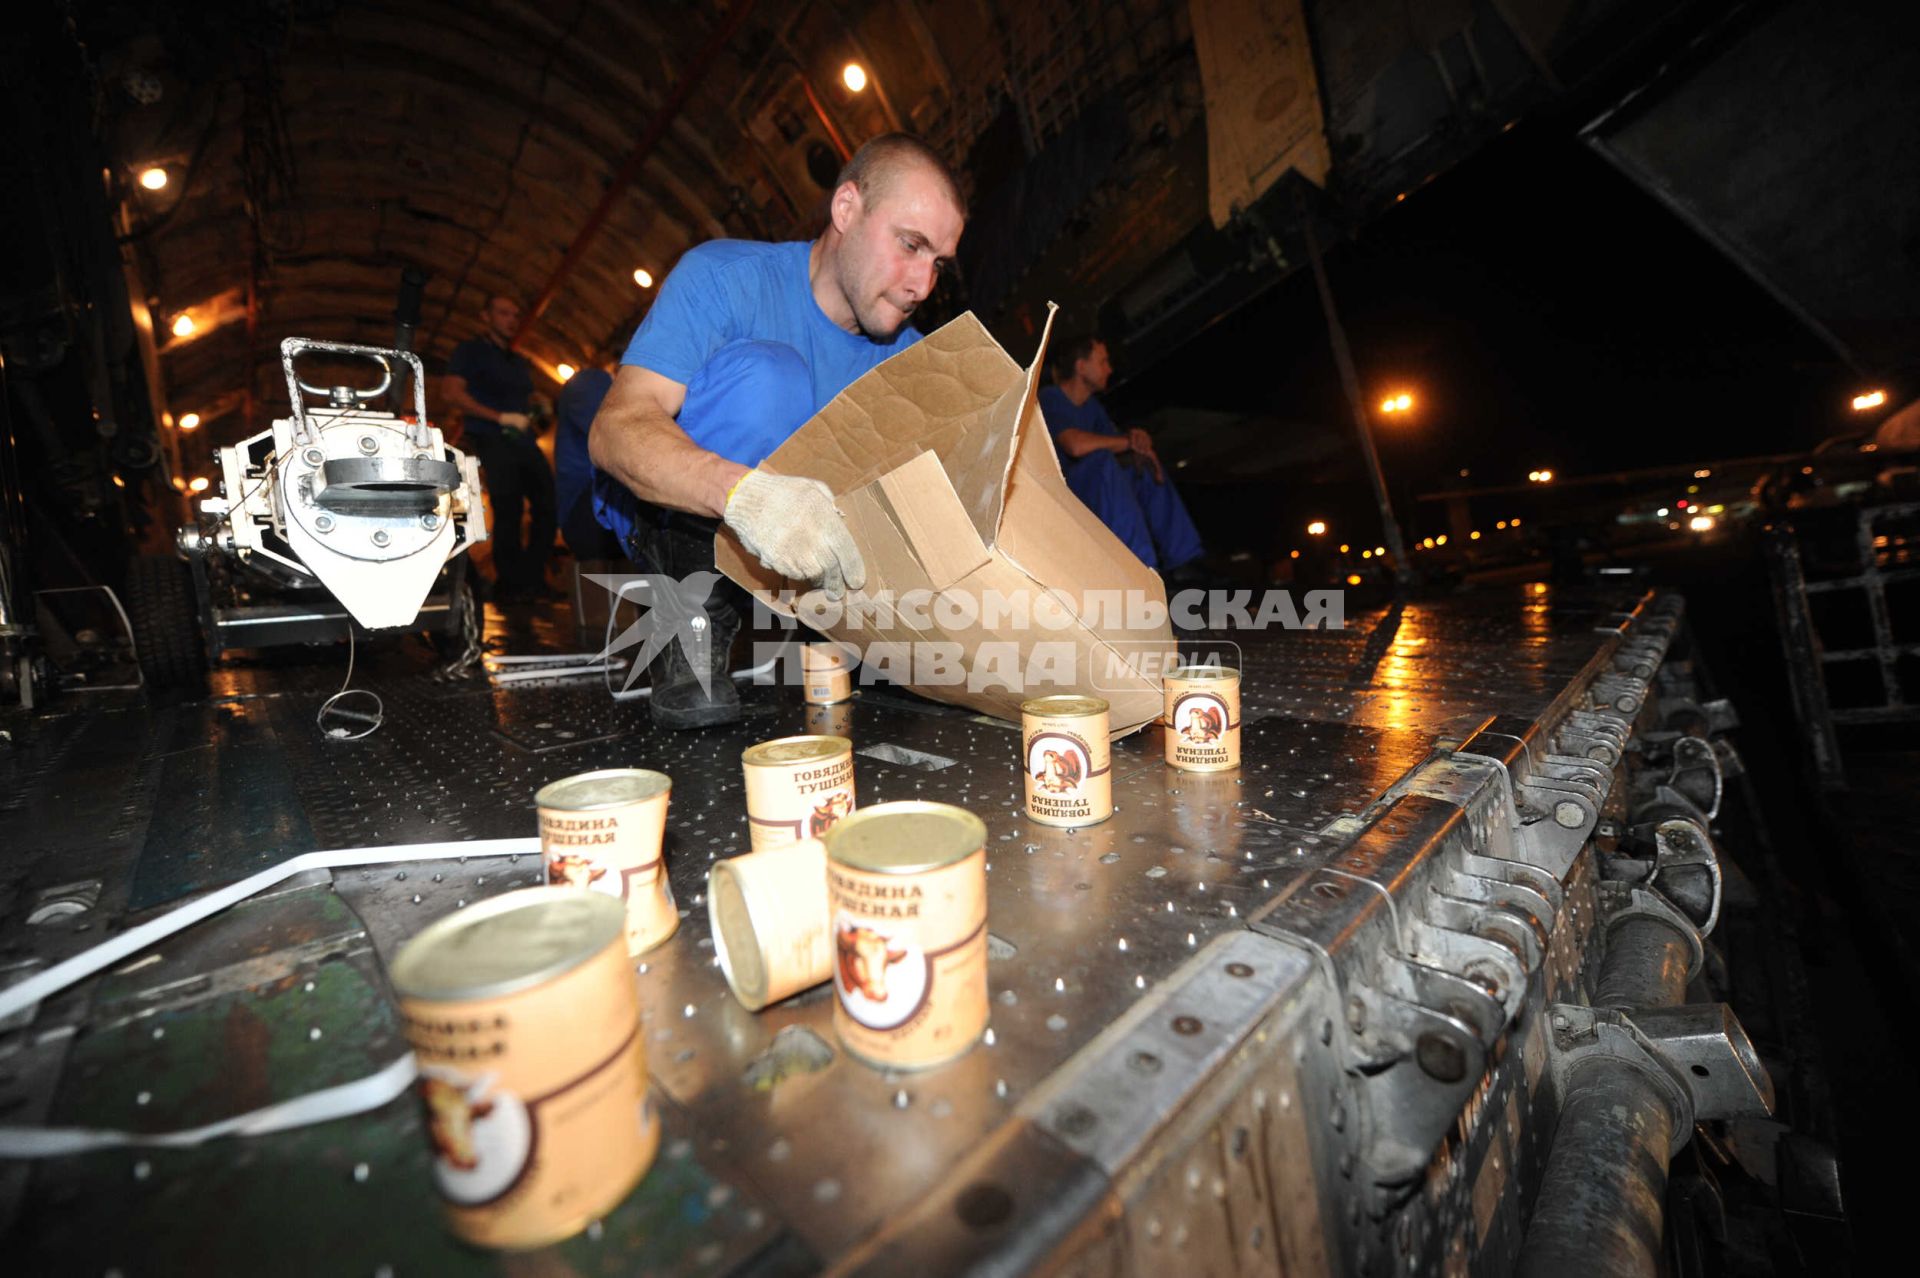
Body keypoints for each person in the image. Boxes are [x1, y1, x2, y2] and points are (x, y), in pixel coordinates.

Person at [589, 133, 966, 729]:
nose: (923, 284)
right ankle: (693, 614)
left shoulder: (907, 360)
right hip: (680, 512)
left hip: (807, 556)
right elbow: (616, 429)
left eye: (937, 262)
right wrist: (743, 495)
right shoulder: (724, 277)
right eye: (910, 244)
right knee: (771, 378)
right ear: (846, 210)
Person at [1037, 336, 1205, 579]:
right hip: (1064, 496)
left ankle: (1185, 560)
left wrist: (1142, 452)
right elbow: (1074, 445)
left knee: (1140, 468)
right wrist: (1128, 441)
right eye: (1103, 361)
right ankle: (1142, 569)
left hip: (1094, 490)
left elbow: (1119, 447)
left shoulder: (1092, 407)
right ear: (1081, 366)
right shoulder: (1050, 397)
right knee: (1102, 462)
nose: (1109, 368)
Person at [443, 295, 558, 602]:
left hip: (523, 440)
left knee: (548, 504)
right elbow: (452, 393)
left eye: (515, 314)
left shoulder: (518, 361)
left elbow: (526, 399)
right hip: (491, 437)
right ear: (486, 316)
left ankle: (531, 578)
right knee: (508, 509)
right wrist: (499, 417)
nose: (511, 319)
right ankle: (511, 584)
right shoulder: (470, 352)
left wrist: (537, 406)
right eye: (504, 313)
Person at [553, 364, 622, 561]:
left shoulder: (598, 383)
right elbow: (611, 435)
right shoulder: (589, 381)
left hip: (590, 511)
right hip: (586, 510)